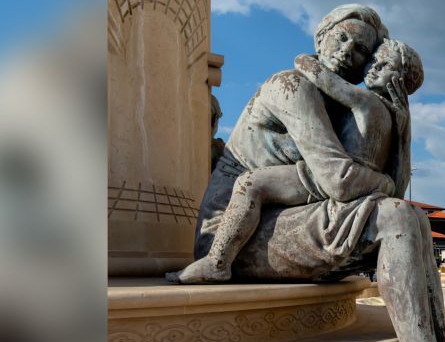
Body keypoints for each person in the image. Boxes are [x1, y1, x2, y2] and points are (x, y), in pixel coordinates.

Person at [177, 4, 445, 342]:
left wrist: (402, 123)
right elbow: (340, 182)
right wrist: (382, 181)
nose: (349, 51)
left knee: (412, 217)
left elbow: (389, 188)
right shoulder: (291, 87)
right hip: (235, 233)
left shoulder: (347, 104)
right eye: (341, 38)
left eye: (361, 49)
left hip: (281, 214)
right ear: (320, 37)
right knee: (395, 217)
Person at [169, 39, 423, 283]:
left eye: (382, 63)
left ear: (401, 83)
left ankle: (217, 262)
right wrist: (404, 134)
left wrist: (305, 60)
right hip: (335, 178)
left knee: (250, 183)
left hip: (337, 179)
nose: (373, 65)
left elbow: (326, 80)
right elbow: (397, 189)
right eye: (375, 59)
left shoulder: (364, 100)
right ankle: (217, 261)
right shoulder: (394, 118)